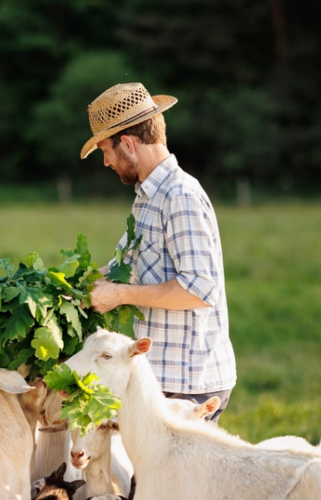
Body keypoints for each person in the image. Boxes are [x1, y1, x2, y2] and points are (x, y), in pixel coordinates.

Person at [81, 83, 236, 422]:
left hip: (189, 383)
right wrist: (74, 284)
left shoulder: (179, 195)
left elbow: (199, 289)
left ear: (129, 143)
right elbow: (127, 265)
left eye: (106, 149)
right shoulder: (147, 195)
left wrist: (119, 295)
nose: (105, 161)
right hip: (162, 377)